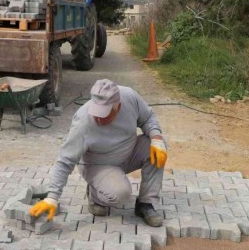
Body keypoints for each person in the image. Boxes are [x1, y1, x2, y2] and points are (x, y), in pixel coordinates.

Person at [30, 79, 167, 226]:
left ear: (118, 106)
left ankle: (145, 204)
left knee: (158, 148)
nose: (99, 118)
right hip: (98, 165)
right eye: (97, 112)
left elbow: (148, 118)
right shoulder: (83, 122)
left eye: (105, 114)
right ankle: (95, 194)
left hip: (129, 152)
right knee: (121, 194)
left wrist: (156, 138)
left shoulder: (129, 97)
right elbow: (65, 160)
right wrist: (52, 198)